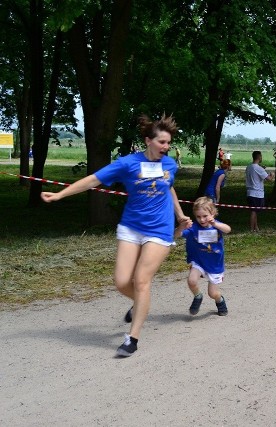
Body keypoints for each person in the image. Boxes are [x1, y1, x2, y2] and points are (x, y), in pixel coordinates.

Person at [41, 114, 190, 357]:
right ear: (148, 141)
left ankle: (132, 338)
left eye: (168, 143)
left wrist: (180, 215)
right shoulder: (128, 163)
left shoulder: (170, 165)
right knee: (122, 282)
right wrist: (60, 195)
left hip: (160, 229)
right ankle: (142, 303)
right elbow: (93, 180)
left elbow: (169, 187)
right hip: (131, 226)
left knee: (141, 280)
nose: (167, 147)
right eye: (162, 142)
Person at [175, 197, 230, 317]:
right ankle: (197, 296)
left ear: (213, 213)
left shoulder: (216, 225)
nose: (202, 219)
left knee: (212, 293)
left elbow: (228, 229)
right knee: (192, 280)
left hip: (215, 265)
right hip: (199, 261)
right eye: (198, 217)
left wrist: (215, 223)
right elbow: (176, 235)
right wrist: (181, 227)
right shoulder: (193, 228)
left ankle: (219, 300)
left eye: (205, 216)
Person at [245, 151, 274, 232]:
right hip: (257, 193)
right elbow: (269, 179)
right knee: (254, 211)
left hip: (249, 192)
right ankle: (251, 229)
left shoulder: (249, 167)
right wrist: (272, 174)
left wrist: (263, 170)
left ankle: (256, 227)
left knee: (255, 211)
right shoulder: (259, 168)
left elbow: (256, 175)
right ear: (259, 157)